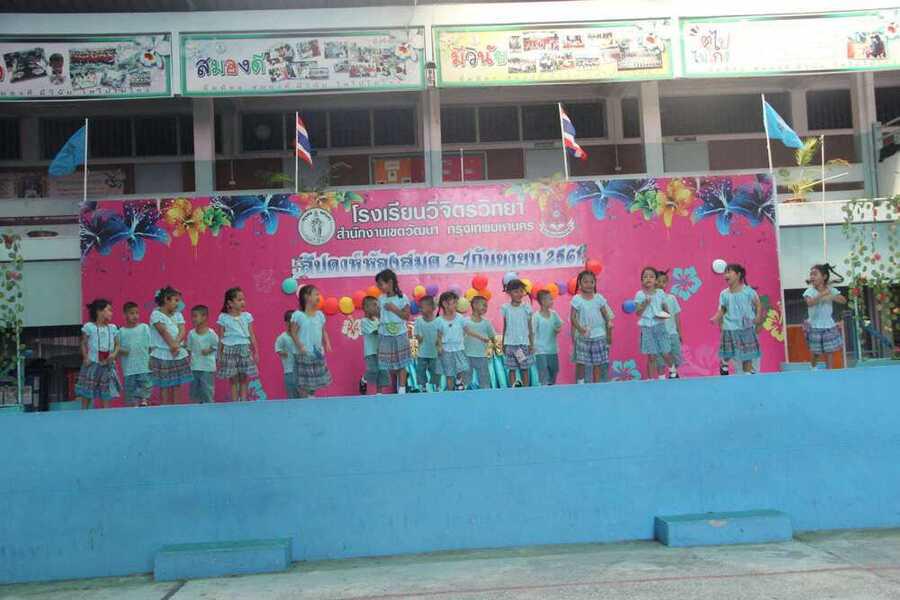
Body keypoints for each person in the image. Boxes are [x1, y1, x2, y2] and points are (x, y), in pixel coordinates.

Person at [711, 263, 764, 375]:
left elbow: (758, 305)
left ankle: (747, 376)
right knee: (728, 353)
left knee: (747, 355)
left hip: (746, 328)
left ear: (738, 274)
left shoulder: (748, 291)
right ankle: (724, 363)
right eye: (725, 273)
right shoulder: (724, 294)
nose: (726, 275)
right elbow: (723, 309)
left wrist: (758, 317)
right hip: (730, 328)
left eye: (729, 272)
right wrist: (717, 318)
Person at [149, 285, 192, 405]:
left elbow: (182, 330)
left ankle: (176, 408)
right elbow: (163, 331)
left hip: (176, 352)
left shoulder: (178, 315)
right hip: (163, 354)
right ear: (166, 299)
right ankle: (165, 408)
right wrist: (172, 346)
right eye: (175, 300)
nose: (178, 304)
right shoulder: (156, 314)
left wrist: (176, 345)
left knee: (176, 384)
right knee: (165, 384)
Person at [76, 298, 120, 409]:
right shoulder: (89, 327)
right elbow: (83, 343)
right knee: (87, 391)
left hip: (107, 365)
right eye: (109, 310)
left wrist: (114, 354)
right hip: (92, 364)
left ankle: (106, 413)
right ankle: (84, 413)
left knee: (106, 392)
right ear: (99, 312)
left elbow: (117, 345)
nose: (111, 313)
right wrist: (85, 357)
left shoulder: (113, 328)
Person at [216, 287, 259, 402]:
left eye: (243, 299)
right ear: (230, 303)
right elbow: (221, 337)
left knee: (243, 377)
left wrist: (256, 352)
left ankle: (243, 401)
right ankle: (235, 402)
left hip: (244, 348)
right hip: (229, 350)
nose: (243, 302)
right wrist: (219, 354)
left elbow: (252, 335)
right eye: (239, 300)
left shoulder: (247, 316)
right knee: (233, 378)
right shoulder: (223, 317)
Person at [571, 270, 614, 384]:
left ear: (595, 283)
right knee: (581, 362)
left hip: (599, 335)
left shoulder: (599, 298)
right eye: (585, 282)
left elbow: (605, 314)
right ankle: (580, 383)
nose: (589, 284)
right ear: (580, 283)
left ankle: (597, 384)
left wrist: (609, 325)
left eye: (592, 282)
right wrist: (580, 329)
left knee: (597, 363)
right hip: (583, 336)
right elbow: (573, 317)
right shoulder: (577, 299)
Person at [635, 267, 678, 380]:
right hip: (647, 328)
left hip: (660, 326)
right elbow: (638, 313)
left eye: (651, 276)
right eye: (645, 277)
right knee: (651, 356)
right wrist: (644, 304)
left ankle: (672, 369)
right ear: (642, 280)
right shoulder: (639, 294)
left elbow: (666, 311)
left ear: (655, 280)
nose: (648, 278)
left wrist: (663, 314)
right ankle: (651, 380)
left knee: (665, 352)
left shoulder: (660, 293)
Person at [290, 285, 332, 398]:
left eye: (319, 294)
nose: (319, 297)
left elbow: (323, 331)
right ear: (307, 297)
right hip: (303, 353)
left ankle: (310, 397)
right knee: (304, 381)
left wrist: (327, 343)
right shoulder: (298, 315)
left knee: (314, 380)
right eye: (316, 294)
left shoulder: (320, 315)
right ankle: (305, 399)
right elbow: (293, 332)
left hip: (317, 353)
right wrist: (300, 346)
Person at [804, 263, 847, 369]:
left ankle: (829, 371)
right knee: (816, 352)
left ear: (824, 277)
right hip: (814, 325)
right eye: (811, 274)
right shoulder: (809, 291)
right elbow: (810, 303)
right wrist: (821, 295)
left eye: (815, 274)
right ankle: (813, 368)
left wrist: (832, 296)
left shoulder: (830, 290)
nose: (812, 277)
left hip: (828, 325)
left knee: (829, 351)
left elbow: (843, 300)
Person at [375, 269, 412, 394]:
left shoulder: (402, 298)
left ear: (390, 282)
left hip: (400, 335)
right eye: (378, 285)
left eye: (381, 284)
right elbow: (379, 316)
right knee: (384, 364)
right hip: (384, 335)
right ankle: (379, 392)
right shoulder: (380, 298)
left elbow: (406, 316)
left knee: (401, 363)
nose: (379, 287)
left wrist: (394, 309)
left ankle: (402, 389)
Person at [117, 301, 152, 407]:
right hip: (129, 369)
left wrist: (151, 360)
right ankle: (132, 406)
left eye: (137, 313)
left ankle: (144, 402)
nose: (135, 316)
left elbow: (150, 346)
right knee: (130, 391)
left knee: (146, 386)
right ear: (125, 315)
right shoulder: (121, 332)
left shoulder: (144, 327)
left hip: (144, 366)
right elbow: (116, 348)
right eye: (132, 313)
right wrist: (121, 350)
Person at [501, 279, 534, 387]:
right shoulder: (506, 308)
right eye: (516, 291)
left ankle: (525, 389)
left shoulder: (526, 307)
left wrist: (531, 343)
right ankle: (513, 388)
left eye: (521, 291)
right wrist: (503, 343)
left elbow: (530, 327)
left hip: (522, 344)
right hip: (510, 344)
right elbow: (505, 326)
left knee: (524, 368)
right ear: (509, 292)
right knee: (512, 369)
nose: (519, 294)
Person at [435, 291, 469, 391]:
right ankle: (450, 390)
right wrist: (439, 346)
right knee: (449, 373)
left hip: (459, 348)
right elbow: (438, 336)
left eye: (456, 303)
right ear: (445, 304)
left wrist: (461, 338)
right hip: (446, 350)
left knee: (461, 367)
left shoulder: (460, 317)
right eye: (453, 303)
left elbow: (466, 329)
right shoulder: (439, 320)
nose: (455, 305)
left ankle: (458, 381)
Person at [463, 296, 497, 390]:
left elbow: (492, 337)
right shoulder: (465, 321)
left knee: (484, 378)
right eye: (484, 305)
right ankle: (464, 394)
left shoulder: (486, 323)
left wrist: (494, 346)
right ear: (474, 305)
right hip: (466, 355)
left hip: (481, 355)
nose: (485, 308)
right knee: (466, 379)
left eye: (486, 306)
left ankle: (485, 394)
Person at [187, 305, 218, 404]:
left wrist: (209, 350)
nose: (193, 319)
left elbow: (217, 346)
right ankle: (195, 408)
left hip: (207, 367)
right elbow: (189, 349)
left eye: (195, 316)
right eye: (192, 316)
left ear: (204, 317)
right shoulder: (191, 334)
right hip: (194, 367)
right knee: (194, 391)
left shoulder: (211, 333)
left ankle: (209, 407)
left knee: (207, 390)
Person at [532, 290, 563, 385]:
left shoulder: (554, 314)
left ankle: (551, 387)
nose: (552, 301)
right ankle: (544, 387)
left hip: (552, 349)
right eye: (550, 299)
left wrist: (558, 329)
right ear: (543, 301)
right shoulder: (536, 316)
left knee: (554, 370)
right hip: (540, 350)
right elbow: (532, 332)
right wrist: (532, 345)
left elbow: (559, 324)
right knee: (543, 372)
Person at [655, 271, 683, 375]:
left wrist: (679, 333)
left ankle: (673, 373)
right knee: (660, 361)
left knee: (677, 357)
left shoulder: (671, 298)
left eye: (664, 282)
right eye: (658, 281)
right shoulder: (652, 300)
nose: (661, 284)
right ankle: (662, 378)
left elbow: (677, 317)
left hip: (672, 334)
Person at [359, 296, 389, 395]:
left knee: (382, 371)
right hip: (371, 352)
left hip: (381, 351)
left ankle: (379, 393)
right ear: (366, 308)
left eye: (378, 305)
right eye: (375, 305)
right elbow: (375, 332)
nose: (378, 307)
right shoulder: (364, 321)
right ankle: (363, 379)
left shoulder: (377, 321)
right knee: (373, 370)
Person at [413, 296, 440, 392]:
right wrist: (418, 338)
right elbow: (416, 333)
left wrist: (439, 341)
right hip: (422, 353)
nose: (420, 309)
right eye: (419, 307)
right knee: (420, 370)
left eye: (422, 307)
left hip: (435, 353)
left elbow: (441, 335)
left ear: (431, 308)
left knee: (435, 370)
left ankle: (437, 386)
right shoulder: (418, 320)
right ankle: (422, 386)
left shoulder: (438, 321)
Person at [275, 310, 300, 398]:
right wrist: (282, 352)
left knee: (303, 395)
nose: (293, 324)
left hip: (301, 371)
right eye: (290, 322)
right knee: (292, 395)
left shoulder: (301, 336)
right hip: (289, 371)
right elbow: (278, 348)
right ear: (286, 323)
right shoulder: (282, 337)